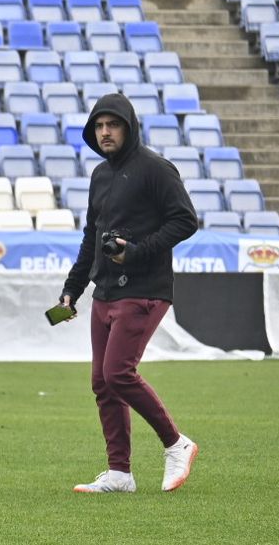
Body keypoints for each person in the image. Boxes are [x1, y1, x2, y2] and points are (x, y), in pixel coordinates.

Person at [58, 92, 200, 494]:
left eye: (113, 125)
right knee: (102, 382)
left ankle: (177, 443)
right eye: (99, 126)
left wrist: (137, 251)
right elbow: (92, 237)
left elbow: (185, 221)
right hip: (104, 291)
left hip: (145, 289)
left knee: (118, 372)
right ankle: (120, 473)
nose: (105, 132)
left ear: (129, 127)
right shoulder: (100, 175)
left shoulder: (156, 169)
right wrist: (73, 289)